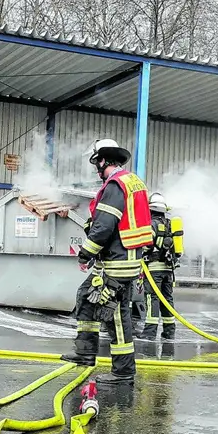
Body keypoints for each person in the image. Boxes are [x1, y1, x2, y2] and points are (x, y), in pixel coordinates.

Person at [62, 138, 153, 385]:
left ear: (103, 160)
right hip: (121, 260)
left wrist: (85, 253)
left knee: (115, 318)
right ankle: (85, 353)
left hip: (118, 263)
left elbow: (104, 225)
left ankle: (123, 372)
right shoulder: (131, 182)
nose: (95, 169)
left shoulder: (115, 186)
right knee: (86, 295)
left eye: (96, 163)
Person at [139, 190, 182, 341]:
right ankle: (169, 331)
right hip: (168, 269)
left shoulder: (151, 225)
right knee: (167, 299)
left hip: (154, 269)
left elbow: (146, 245)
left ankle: (149, 333)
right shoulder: (170, 224)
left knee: (152, 299)